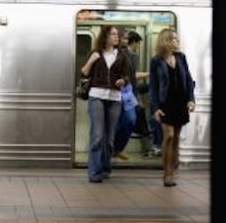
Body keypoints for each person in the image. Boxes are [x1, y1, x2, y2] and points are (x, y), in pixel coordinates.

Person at [81, 25, 130, 182]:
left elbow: (128, 76)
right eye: (113, 34)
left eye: (118, 34)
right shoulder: (96, 53)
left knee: (109, 138)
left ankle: (105, 168)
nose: (117, 37)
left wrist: (123, 80)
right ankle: (94, 173)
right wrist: (91, 60)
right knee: (97, 135)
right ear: (105, 36)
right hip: (97, 96)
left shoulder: (122, 55)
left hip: (115, 97)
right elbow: (84, 72)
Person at [149, 28, 195, 187]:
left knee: (175, 138)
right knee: (168, 136)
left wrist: (191, 99)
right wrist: (155, 108)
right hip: (165, 103)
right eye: (174, 38)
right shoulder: (156, 61)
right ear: (166, 40)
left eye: (177, 38)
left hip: (180, 102)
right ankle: (166, 173)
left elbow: (189, 81)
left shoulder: (181, 58)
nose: (177, 41)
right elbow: (153, 87)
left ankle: (172, 172)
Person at [113, 30, 148, 160]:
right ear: (134, 42)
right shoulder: (132, 55)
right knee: (129, 120)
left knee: (127, 120)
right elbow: (134, 75)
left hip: (125, 92)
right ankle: (116, 148)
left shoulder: (122, 53)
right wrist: (150, 74)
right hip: (125, 92)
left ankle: (116, 148)